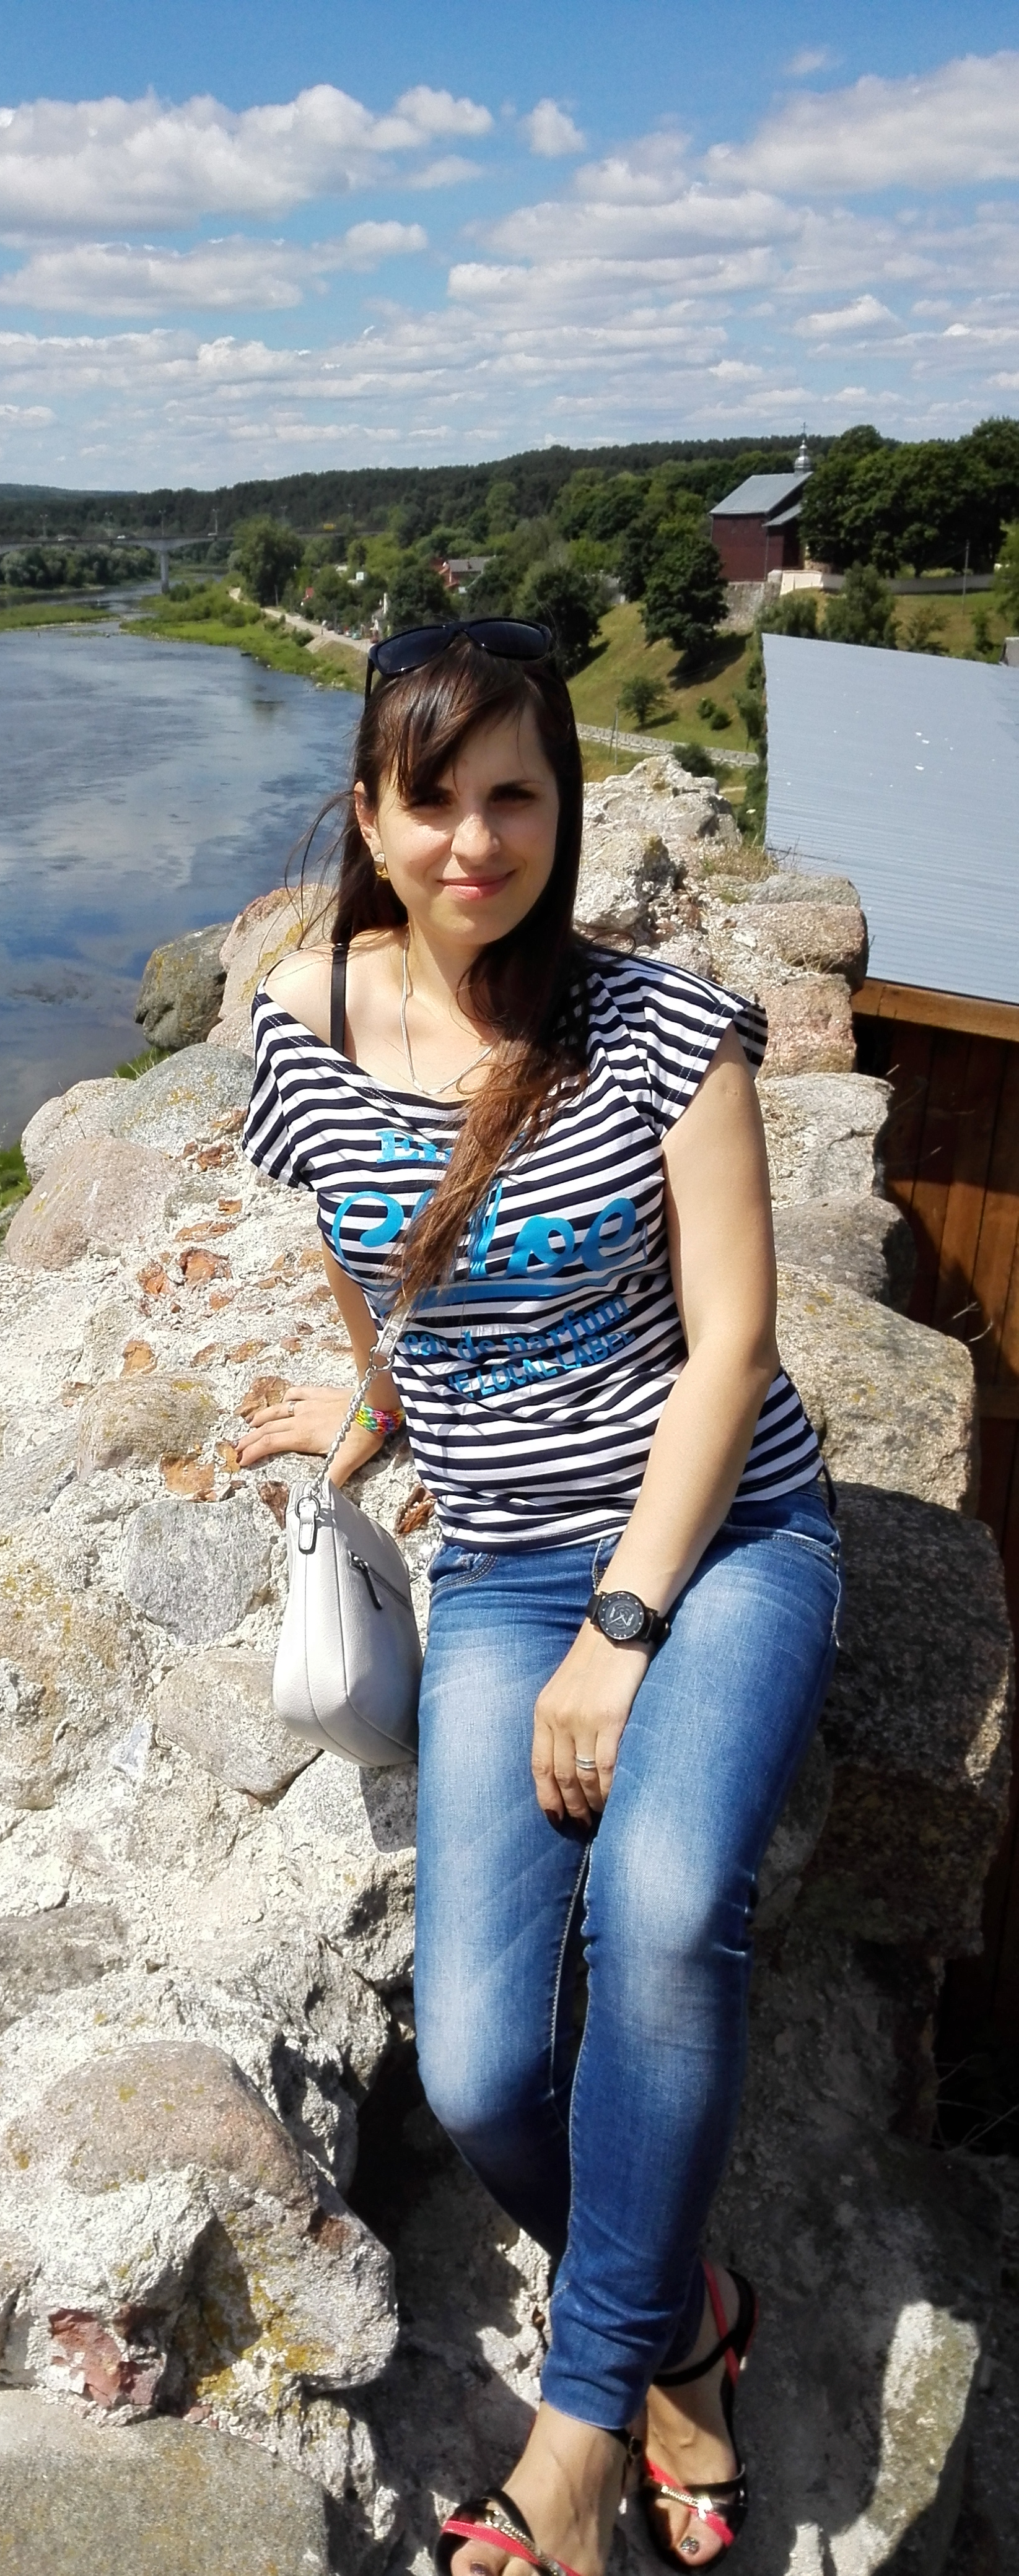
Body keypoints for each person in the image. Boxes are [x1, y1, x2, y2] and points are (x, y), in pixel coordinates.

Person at [234, 620, 841, 2576]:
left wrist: (623, 1632)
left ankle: (578, 2446)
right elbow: (368, 1261)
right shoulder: (299, 1029)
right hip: (501, 1562)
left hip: (717, 1538)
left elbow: (735, 1350)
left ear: (565, 810)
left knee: (663, 1915)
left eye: (516, 794)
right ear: (369, 816)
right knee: (484, 2067)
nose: (477, 839)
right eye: (435, 799)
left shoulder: (668, 1030)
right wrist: (369, 1422)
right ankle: (687, 2327)